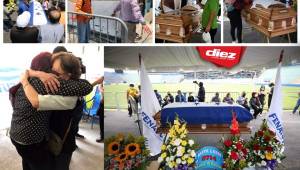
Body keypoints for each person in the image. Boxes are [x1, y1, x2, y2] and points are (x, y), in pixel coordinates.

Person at [10, 52, 93, 170]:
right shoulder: (46, 83)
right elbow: (87, 86)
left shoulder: (30, 80)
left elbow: (25, 72)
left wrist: (32, 74)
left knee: (27, 163)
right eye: (51, 70)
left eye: (55, 72)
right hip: (30, 141)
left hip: (17, 135)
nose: (52, 74)